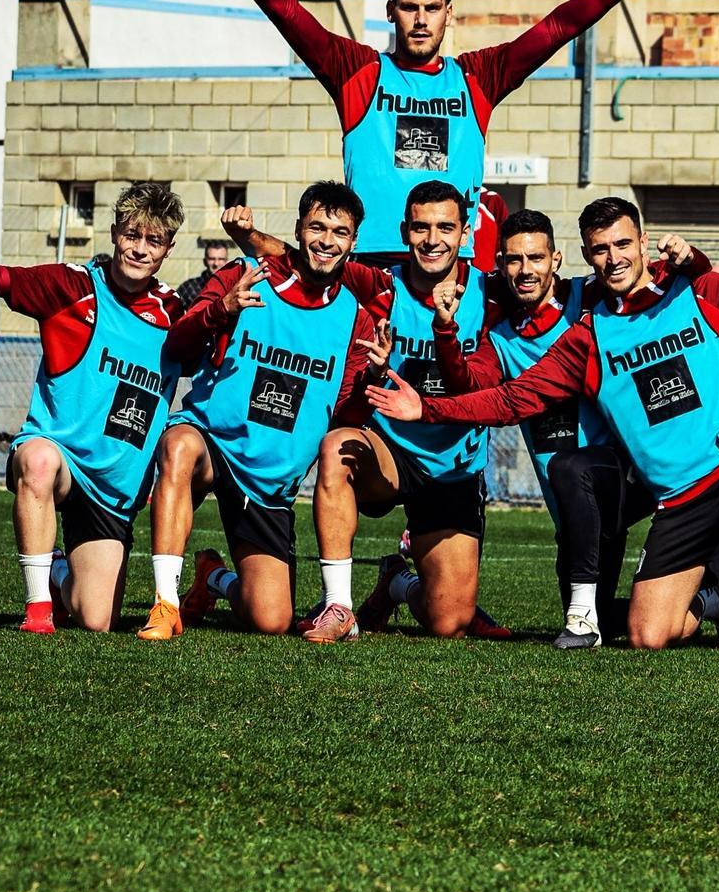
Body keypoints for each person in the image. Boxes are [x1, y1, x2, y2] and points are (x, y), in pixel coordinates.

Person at [368, 195, 719, 656]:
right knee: (643, 633)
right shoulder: (578, 336)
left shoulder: (687, 290)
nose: (613, 258)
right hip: (666, 495)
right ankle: (708, 594)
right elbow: (504, 398)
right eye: (602, 249)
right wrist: (429, 397)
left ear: (641, 245)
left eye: (622, 244)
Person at [361, 206, 719, 650]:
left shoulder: (587, 301)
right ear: (500, 266)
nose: (526, 270)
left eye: (536, 258)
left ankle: (701, 563)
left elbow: (654, 278)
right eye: (514, 260)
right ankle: (713, 598)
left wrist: (692, 258)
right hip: (573, 511)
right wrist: (445, 333)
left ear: (556, 260)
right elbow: (470, 388)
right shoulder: (500, 338)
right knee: (616, 621)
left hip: (618, 477)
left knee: (578, 469)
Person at [201, 0, 664, 257]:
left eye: (431, 9)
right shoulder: (357, 70)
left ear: (449, 16)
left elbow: (558, 27)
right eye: (408, 8)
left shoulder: (478, 77)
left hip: (451, 270)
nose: (420, 20)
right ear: (390, 13)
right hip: (371, 264)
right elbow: (286, 12)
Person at [225, 180, 506, 640]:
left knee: (448, 621)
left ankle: (396, 583)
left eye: (445, 228)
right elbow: (308, 256)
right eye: (420, 228)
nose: (432, 239)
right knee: (338, 445)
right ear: (403, 230)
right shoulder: (381, 286)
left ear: (466, 231)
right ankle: (339, 606)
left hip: (453, 468)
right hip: (389, 455)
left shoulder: (490, 295)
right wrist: (248, 237)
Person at [0, 183, 185, 633]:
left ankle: (59, 569)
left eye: (153, 241)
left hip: (111, 491)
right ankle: (38, 609)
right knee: (37, 460)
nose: (139, 249)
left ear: (168, 248)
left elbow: (219, 340)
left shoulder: (176, 312)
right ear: (115, 232)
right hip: (59, 459)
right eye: (131, 235)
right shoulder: (71, 286)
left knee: (96, 619)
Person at [136, 182, 378, 643]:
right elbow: (180, 346)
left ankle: (212, 577)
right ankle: (165, 603)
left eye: (340, 232)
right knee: (178, 445)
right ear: (298, 230)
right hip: (214, 441)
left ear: (353, 242)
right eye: (317, 227)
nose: (327, 241)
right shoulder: (245, 274)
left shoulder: (355, 316)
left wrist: (374, 380)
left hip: (268, 481)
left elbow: (344, 411)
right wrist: (220, 311)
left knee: (270, 619)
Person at [177, 240, 229, 311]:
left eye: (221, 259)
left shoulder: (233, 286)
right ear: (205, 261)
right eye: (212, 259)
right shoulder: (189, 287)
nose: (216, 263)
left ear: (226, 262)